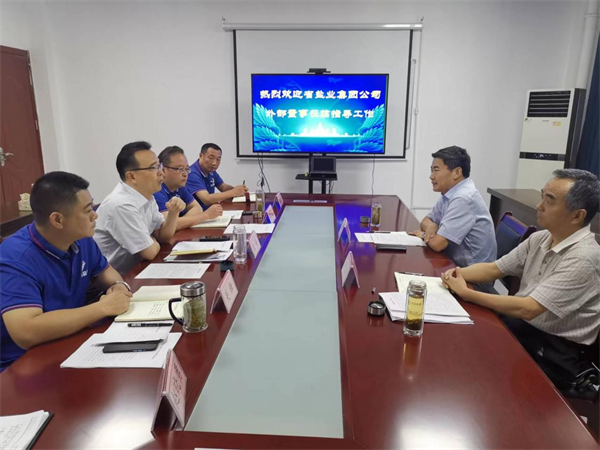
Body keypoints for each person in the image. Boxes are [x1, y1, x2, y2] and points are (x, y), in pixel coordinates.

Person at [442, 169, 600, 386]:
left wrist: (466, 293)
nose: (539, 206)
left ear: (577, 215)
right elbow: (494, 269)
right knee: (456, 345)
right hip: (523, 329)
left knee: (469, 367)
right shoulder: (541, 238)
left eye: (549, 201)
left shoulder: (584, 258)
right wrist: (452, 275)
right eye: (542, 197)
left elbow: (529, 308)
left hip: (554, 352)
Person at [0, 172, 132, 371]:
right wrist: (102, 308)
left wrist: (118, 287)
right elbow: (25, 332)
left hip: (70, 342)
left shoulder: (81, 238)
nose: (95, 215)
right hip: (24, 364)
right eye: (88, 210)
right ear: (58, 220)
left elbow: (106, 273)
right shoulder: (16, 258)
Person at [94, 141, 185, 274]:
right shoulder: (121, 205)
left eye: (159, 165)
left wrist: (173, 212)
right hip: (113, 280)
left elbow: (163, 236)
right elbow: (149, 252)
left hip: (137, 270)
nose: (161, 172)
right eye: (154, 167)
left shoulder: (147, 196)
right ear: (132, 176)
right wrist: (150, 239)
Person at [410, 146, 497, 268]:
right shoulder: (450, 193)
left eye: (436, 170)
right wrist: (432, 226)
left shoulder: (463, 198)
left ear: (457, 172)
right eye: (431, 170)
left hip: (473, 273)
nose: (431, 176)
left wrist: (424, 235)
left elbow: (438, 244)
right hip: (454, 264)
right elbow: (425, 221)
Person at [155, 146, 223, 231]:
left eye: (186, 169)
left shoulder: (180, 187)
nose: (185, 174)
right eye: (180, 169)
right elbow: (168, 226)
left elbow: (197, 208)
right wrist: (206, 215)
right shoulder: (157, 191)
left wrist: (180, 222)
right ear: (163, 170)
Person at [187, 143, 248, 209]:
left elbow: (223, 187)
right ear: (201, 156)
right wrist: (234, 192)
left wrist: (238, 190)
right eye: (211, 158)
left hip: (211, 210)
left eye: (218, 159)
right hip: (199, 213)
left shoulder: (210, 170)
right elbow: (206, 199)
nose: (214, 163)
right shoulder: (192, 174)